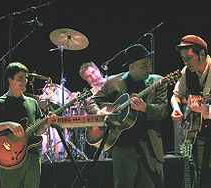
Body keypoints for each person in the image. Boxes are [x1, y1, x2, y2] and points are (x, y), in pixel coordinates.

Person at [87, 44, 168, 188]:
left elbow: (162, 111)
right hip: (122, 145)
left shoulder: (157, 82)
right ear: (131, 66)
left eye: (149, 65)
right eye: (144, 66)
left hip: (149, 145)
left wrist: (145, 108)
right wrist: (98, 112)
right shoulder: (113, 82)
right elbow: (91, 102)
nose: (149, 69)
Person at [0, 62, 48, 188]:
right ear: (10, 80)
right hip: (10, 157)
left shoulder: (32, 102)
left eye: (26, 79)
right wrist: (8, 125)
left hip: (32, 155)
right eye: (20, 79)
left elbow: (38, 132)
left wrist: (46, 125)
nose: (24, 82)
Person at [170, 34, 211, 188]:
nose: (186, 63)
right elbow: (176, 95)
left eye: (189, 58)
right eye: (183, 59)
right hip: (196, 132)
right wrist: (176, 109)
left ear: (202, 54)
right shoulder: (186, 71)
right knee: (199, 172)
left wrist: (206, 110)